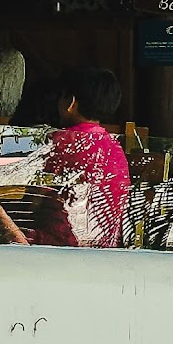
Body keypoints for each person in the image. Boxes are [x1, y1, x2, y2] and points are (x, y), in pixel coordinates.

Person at [29, 65, 134, 248]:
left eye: (61, 96)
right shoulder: (114, 147)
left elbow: (32, 193)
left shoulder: (60, 141)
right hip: (104, 244)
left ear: (70, 102)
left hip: (55, 245)